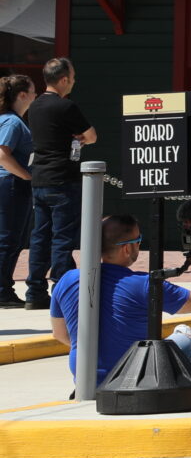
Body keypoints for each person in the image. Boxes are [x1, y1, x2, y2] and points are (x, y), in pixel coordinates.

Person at [51, 213, 191, 388]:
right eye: (139, 240)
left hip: (86, 382)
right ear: (127, 248)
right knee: (185, 334)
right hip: (136, 378)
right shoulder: (144, 284)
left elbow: (60, 334)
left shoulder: (67, 280)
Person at [24, 57, 96, 312]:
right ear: (64, 79)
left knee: (39, 236)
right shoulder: (66, 107)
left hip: (40, 178)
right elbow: (91, 136)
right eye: (73, 78)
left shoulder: (34, 106)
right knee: (62, 237)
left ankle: (34, 292)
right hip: (63, 179)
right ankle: (62, 290)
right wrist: (77, 138)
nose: (74, 82)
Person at [0, 75, 35, 309]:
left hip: (11, 184)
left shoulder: (10, 120)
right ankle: (2, 291)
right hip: (10, 184)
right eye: (33, 91)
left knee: (12, 239)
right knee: (8, 240)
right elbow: (3, 154)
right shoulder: (12, 122)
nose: (36, 95)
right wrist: (27, 176)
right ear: (22, 95)